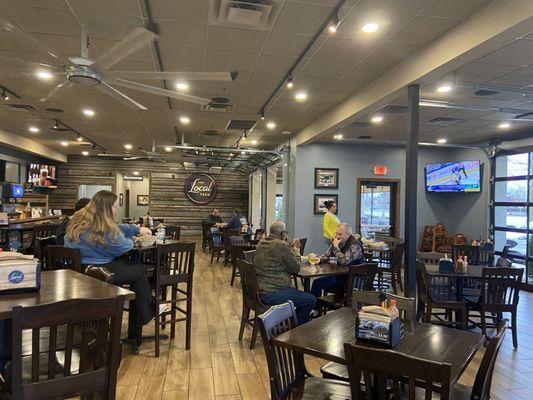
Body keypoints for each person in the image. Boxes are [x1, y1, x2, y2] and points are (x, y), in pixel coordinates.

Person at [64, 190, 158, 325]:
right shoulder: (106, 229)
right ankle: (146, 315)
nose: (116, 211)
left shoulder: (79, 220)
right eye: (115, 207)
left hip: (76, 270)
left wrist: (134, 229)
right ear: (106, 208)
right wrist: (135, 239)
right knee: (139, 270)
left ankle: (144, 310)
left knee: (131, 268)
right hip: (98, 272)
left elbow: (117, 227)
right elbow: (125, 247)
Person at [254, 221, 316, 324]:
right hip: (273, 292)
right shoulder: (281, 245)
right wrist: (296, 250)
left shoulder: (261, 243)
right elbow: (296, 268)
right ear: (282, 234)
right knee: (310, 300)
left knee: (301, 296)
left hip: (261, 289)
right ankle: (293, 328)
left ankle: (287, 321)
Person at [310, 223, 365, 298]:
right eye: (336, 233)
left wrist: (336, 246)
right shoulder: (337, 241)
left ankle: (315, 306)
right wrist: (317, 259)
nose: (337, 236)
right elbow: (327, 255)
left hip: (351, 280)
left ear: (348, 235)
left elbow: (344, 261)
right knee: (317, 282)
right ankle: (315, 306)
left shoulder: (355, 245)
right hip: (339, 275)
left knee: (318, 283)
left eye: (340, 234)